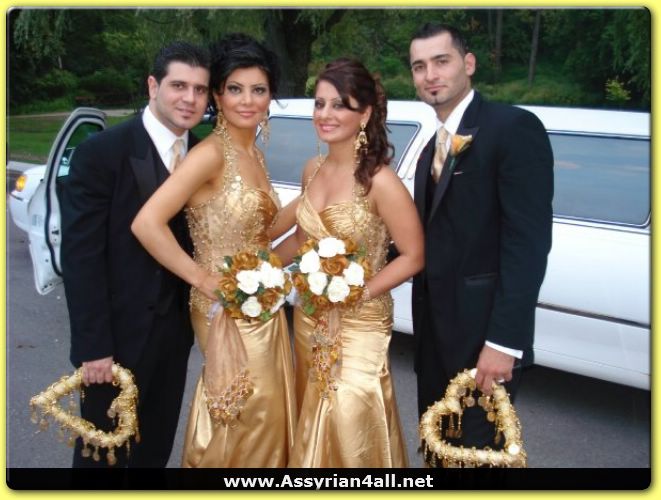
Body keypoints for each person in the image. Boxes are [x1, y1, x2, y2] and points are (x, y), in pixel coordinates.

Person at [131, 33, 297, 468]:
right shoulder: (209, 154)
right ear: (218, 97)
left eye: (258, 90)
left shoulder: (253, 153)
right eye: (235, 89)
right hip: (221, 308)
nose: (248, 101)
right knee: (246, 409)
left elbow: (258, 234)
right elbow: (147, 223)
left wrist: (310, 202)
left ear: (270, 96)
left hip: (262, 303)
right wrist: (202, 278)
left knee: (264, 410)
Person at [60, 41, 210, 468]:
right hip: (114, 342)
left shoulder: (204, 154)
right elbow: (82, 257)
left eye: (200, 89)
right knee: (102, 461)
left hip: (174, 339)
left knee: (153, 455)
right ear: (152, 86)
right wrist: (93, 348)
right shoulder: (102, 152)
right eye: (179, 85)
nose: (190, 98)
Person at [409, 22, 554, 453]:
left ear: (468, 64)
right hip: (434, 340)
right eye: (419, 66)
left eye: (441, 61)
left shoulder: (513, 128)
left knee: (479, 461)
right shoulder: (430, 149)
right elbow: (431, 237)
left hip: (483, 344)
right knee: (439, 453)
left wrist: (503, 343)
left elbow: (527, 245)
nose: (430, 74)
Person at [276, 58, 424, 468]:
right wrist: (258, 270)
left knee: (350, 420)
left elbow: (414, 255)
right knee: (314, 417)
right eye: (319, 103)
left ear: (365, 114)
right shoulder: (313, 169)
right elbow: (302, 240)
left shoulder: (380, 181)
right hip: (310, 317)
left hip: (360, 321)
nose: (325, 114)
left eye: (339, 104)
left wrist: (356, 293)